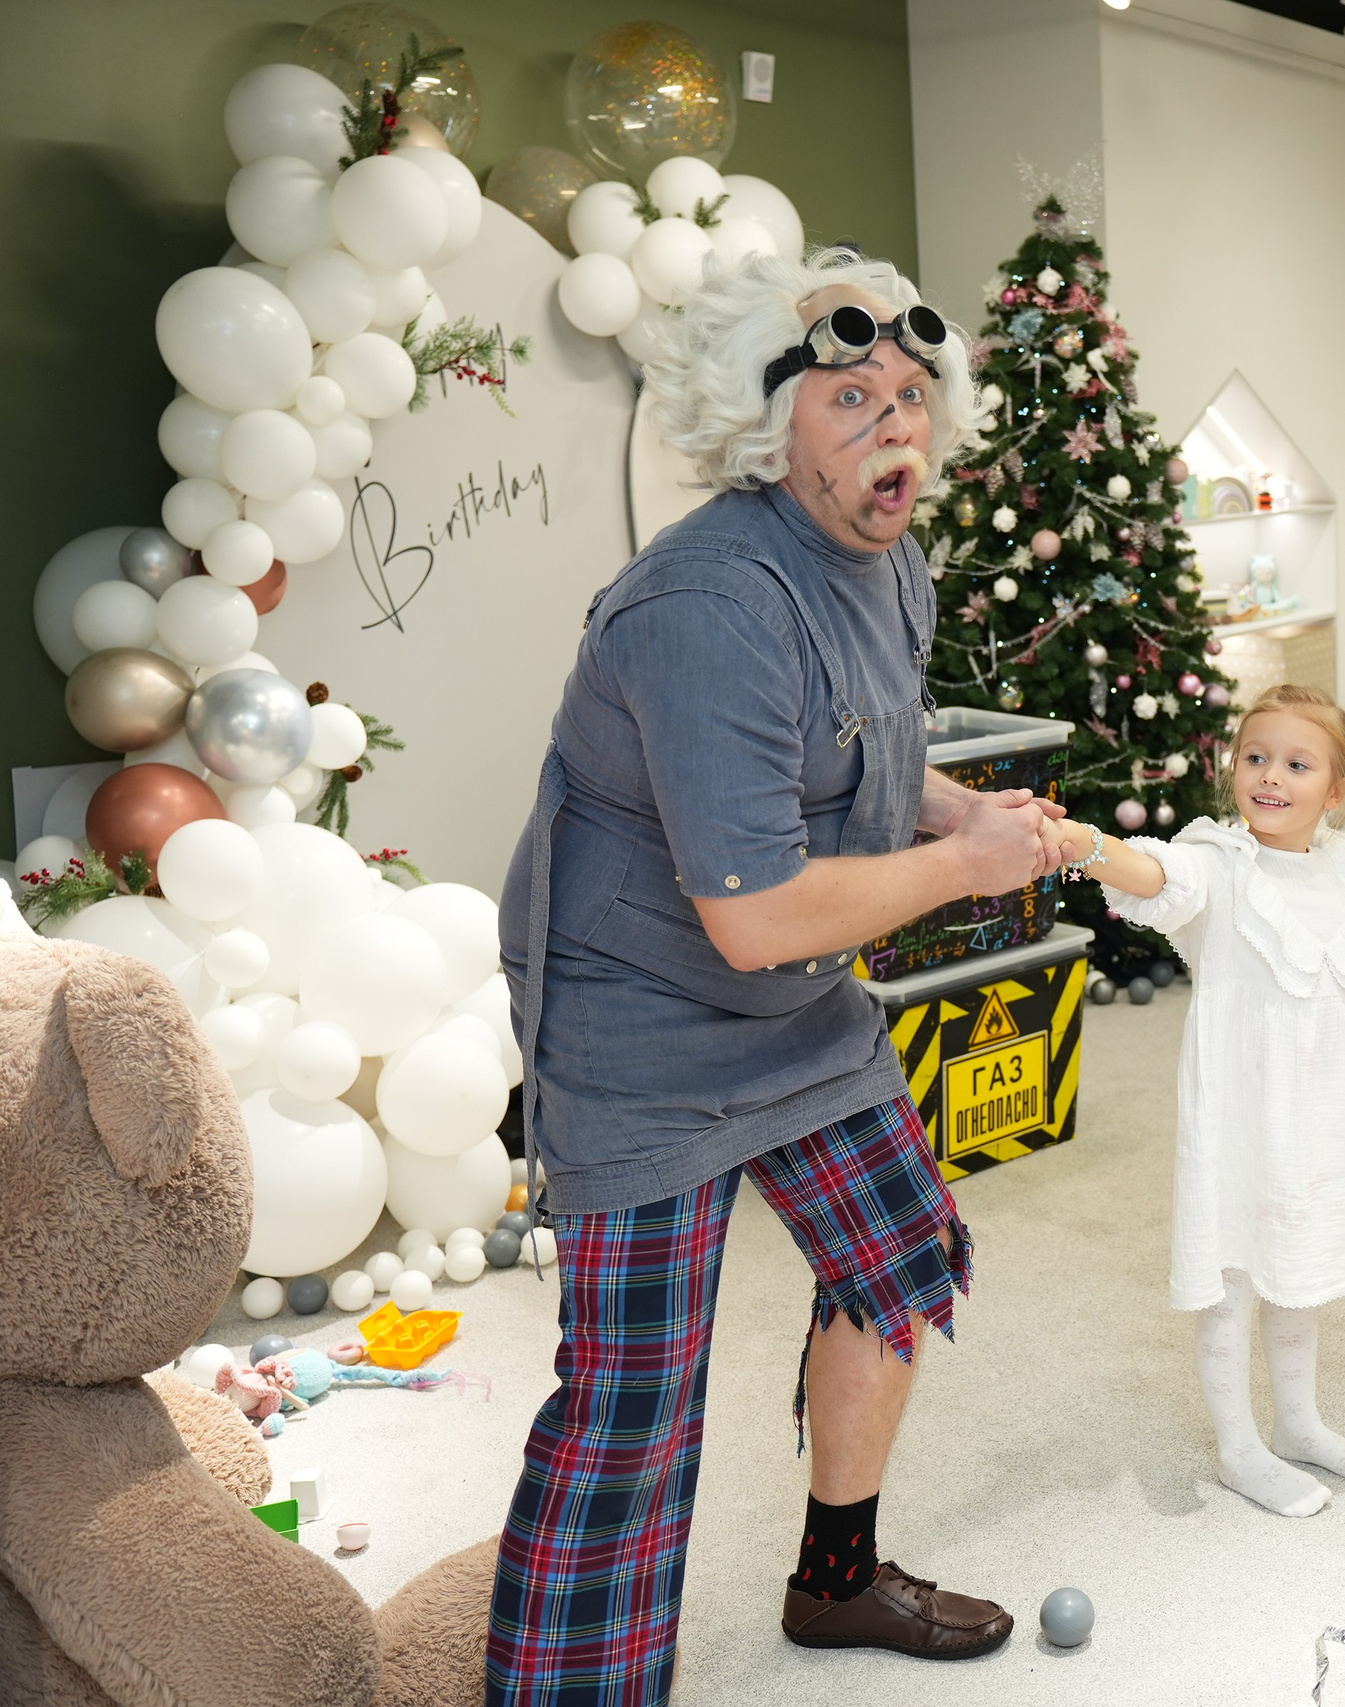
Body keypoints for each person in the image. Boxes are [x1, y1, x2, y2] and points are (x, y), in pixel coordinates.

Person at [492, 247, 1066, 1700]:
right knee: (633, 1407)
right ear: (768, 424)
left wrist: (964, 814)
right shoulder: (707, 607)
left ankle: (838, 1579)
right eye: (852, 394)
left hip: (795, 1010)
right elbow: (753, 912)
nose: (899, 427)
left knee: (899, 1261)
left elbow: (861, 746)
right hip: (644, 1026)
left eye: (914, 394)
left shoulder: (887, 561)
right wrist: (969, 866)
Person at [1040, 683, 1345, 1518]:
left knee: (1299, 1270)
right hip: (1241, 1117)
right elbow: (1151, 870)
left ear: (1335, 790)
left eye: (1297, 764)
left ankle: (1297, 1423)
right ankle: (1237, 1448)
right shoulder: (1217, 864)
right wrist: (1083, 843)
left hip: (1320, 1118)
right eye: (1255, 757)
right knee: (1232, 1276)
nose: (1269, 776)